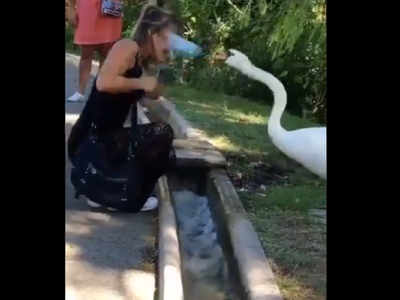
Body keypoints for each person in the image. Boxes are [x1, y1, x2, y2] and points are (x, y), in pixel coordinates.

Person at [67, 5, 176, 212]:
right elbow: (104, 83)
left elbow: (152, 94)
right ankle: (107, 190)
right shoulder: (127, 46)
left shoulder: (143, 61)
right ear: (152, 34)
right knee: (161, 134)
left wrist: (162, 76)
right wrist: (141, 84)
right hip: (90, 141)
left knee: (161, 145)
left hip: (107, 139)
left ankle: (105, 188)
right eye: (165, 38)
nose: (169, 45)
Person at [66, 0, 123, 102]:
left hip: (109, 8)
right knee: (86, 54)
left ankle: (100, 91)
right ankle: (80, 92)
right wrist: (70, 10)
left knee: (106, 55)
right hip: (87, 11)